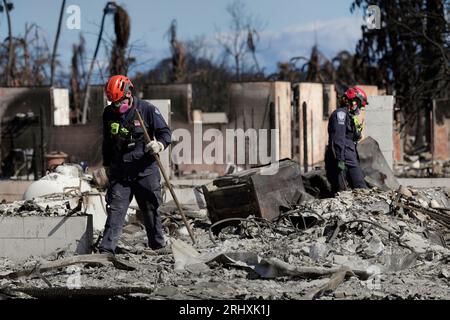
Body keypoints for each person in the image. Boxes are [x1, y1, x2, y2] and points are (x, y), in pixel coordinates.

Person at [99, 75, 172, 254]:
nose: (116, 106)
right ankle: (106, 250)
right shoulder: (109, 114)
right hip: (120, 172)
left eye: (119, 101)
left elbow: (165, 133)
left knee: (150, 208)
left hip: (145, 171)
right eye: (113, 103)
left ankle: (158, 246)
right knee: (116, 210)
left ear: (128, 94)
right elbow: (107, 142)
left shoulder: (146, 109)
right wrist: (106, 165)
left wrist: (159, 144)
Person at [325, 86, 369, 195]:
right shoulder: (340, 114)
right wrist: (340, 159)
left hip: (350, 156)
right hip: (344, 158)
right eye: (358, 104)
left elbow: (349, 137)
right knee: (358, 188)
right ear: (352, 101)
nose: (358, 108)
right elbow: (338, 139)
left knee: (357, 189)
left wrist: (356, 133)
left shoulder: (348, 116)